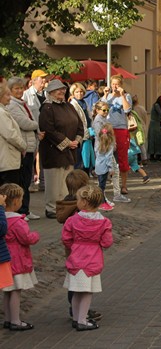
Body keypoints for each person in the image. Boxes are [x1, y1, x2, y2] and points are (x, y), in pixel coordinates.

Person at [61, 184, 113, 331]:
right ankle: (82, 320)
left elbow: (66, 239)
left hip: (76, 257)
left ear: (83, 202)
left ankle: (77, 318)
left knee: (77, 291)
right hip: (92, 259)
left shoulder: (72, 220)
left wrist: (74, 246)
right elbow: (107, 242)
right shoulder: (104, 222)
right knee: (87, 292)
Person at [38, 79, 84, 219]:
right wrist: (67, 142)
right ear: (50, 92)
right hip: (53, 151)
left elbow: (80, 125)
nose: (62, 92)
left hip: (69, 150)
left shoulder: (69, 106)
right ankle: (51, 208)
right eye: (58, 90)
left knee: (65, 181)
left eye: (63, 89)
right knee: (54, 182)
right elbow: (48, 130)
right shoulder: (47, 108)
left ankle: (64, 206)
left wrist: (77, 140)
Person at [0, 183, 38, 331]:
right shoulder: (17, 222)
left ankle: (8, 319)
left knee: (8, 292)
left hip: (6, 260)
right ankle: (15, 320)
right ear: (16, 201)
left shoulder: (4, 219)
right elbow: (26, 238)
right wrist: (35, 236)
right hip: (17, 260)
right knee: (16, 291)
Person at [5, 77, 40, 219]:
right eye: (16, 89)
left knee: (26, 180)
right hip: (23, 148)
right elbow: (25, 123)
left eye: (21, 88)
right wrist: (36, 125)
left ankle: (25, 209)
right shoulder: (12, 105)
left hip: (29, 146)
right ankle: (20, 211)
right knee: (21, 181)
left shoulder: (22, 103)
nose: (20, 91)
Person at [101, 75, 132, 194]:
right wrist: (105, 95)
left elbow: (127, 110)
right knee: (105, 155)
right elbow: (99, 109)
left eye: (117, 84)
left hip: (121, 129)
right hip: (108, 129)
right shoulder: (107, 97)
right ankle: (104, 183)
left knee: (122, 158)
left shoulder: (127, 96)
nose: (114, 86)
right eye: (113, 84)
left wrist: (122, 95)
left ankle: (123, 185)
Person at [0, 84, 26, 189]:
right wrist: (23, 146)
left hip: (8, 160)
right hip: (7, 161)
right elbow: (10, 135)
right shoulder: (1, 113)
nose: (10, 97)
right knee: (9, 193)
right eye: (7, 95)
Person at [69, 83, 92, 174]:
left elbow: (88, 118)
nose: (79, 94)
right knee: (79, 160)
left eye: (81, 91)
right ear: (73, 93)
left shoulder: (84, 103)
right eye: (77, 92)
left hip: (88, 133)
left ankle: (85, 178)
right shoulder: (73, 104)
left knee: (87, 160)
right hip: (79, 135)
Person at [93, 122, 116, 211]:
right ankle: (101, 202)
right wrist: (111, 169)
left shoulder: (98, 143)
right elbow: (108, 158)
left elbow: (97, 152)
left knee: (101, 185)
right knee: (102, 187)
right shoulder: (109, 145)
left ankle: (102, 201)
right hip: (104, 168)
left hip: (98, 166)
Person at [147, 96, 161, 162]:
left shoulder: (157, 105)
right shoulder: (156, 105)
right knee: (153, 139)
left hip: (156, 124)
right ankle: (152, 154)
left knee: (157, 139)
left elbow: (160, 118)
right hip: (154, 125)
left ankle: (156, 154)